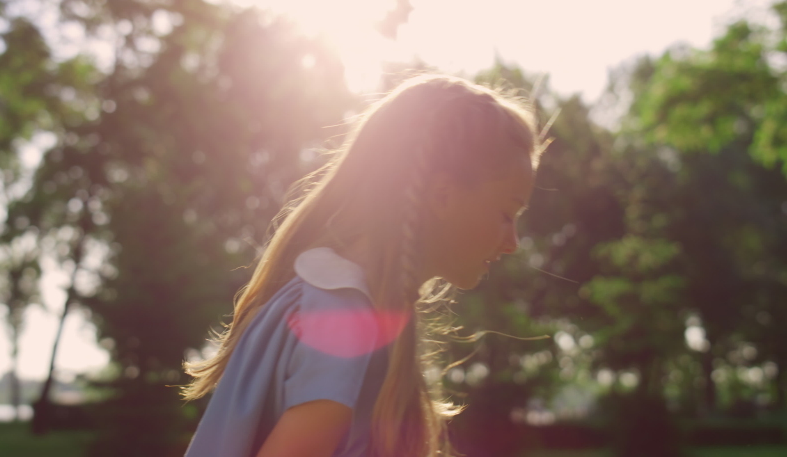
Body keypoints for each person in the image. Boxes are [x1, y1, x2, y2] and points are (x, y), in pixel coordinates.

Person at [180, 74, 545, 457]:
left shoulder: (335, 298)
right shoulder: (342, 314)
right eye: (507, 213)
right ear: (442, 195)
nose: (512, 243)